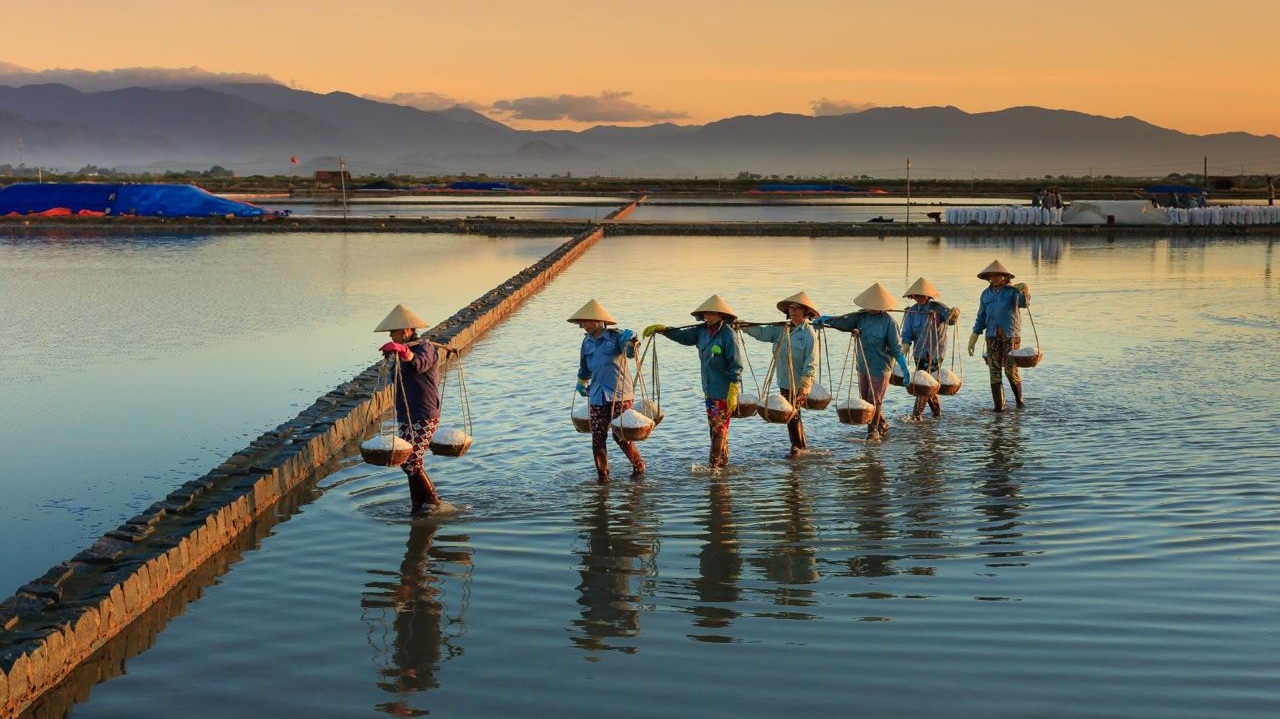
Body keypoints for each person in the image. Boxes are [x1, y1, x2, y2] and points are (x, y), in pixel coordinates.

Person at [644, 295, 743, 468]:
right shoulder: (702, 331)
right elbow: (683, 337)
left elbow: (736, 365)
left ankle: (713, 468)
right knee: (715, 428)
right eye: (706, 313)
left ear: (721, 315)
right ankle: (722, 464)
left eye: (712, 313)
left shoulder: (729, 335)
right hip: (709, 388)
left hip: (725, 390)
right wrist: (665, 330)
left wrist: (733, 390)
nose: (708, 316)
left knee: (719, 429)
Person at [815, 283, 911, 441]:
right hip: (863, 364)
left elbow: (896, 348)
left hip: (881, 366)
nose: (871, 308)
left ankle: (872, 431)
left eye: (875, 306)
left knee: (875, 400)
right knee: (865, 400)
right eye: (869, 305)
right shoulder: (860, 317)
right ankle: (882, 424)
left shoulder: (889, 323)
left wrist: (904, 368)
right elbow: (843, 321)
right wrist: (826, 320)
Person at [375, 304, 447, 516]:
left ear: (407, 330)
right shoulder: (405, 350)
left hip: (424, 414)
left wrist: (403, 351)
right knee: (407, 461)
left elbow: (418, 364)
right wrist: (397, 353)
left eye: (394, 331)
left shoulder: (425, 348)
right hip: (406, 414)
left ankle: (432, 500)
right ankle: (419, 505)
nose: (391, 335)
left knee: (410, 460)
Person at [569, 299, 644, 484]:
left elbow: (630, 352)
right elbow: (584, 368)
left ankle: (638, 466)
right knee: (598, 439)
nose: (583, 325)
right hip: (597, 395)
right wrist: (581, 383)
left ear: (597, 321)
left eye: (586, 321)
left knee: (621, 437)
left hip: (619, 394)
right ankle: (603, 477)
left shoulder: (616, 337)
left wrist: (632, 341)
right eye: (581, 322)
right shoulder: (586, 343)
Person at [739, 291, 819, 457]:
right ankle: (799, 447)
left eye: (798, 308)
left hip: (799, 383)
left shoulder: (809, 333)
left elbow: (811, 362)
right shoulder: (780, 329)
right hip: (784, 381)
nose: (794, 311)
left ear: (805, 312)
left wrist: (804, 387)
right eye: (791, 308)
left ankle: (797, 448)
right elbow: (761, 333)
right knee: (792, 416)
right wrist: (744, 326)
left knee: (793, 415)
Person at [966, 260, 1030, 412]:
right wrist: (974, 336)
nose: (993, 278)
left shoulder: (1013, 291)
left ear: (1004, 277)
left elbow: (1024, 304)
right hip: (992, 336)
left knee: (1010, 370)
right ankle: (999, 408)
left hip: (1011, 336)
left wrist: (1025, 290)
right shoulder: (985, 294)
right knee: (994, 372)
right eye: (991, 276)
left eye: (996, 275)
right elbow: (981, 317)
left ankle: (1019, 402)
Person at [900, 277, 959, 420]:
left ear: (928, 295)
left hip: (935, 352)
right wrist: (905, 347)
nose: (918, 298)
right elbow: (907, 333)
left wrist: (954, 313)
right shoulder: (912, 312)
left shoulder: (939, 308)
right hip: (919, 352)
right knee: (927, 383)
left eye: (921, 295)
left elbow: (950, 320)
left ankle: (916, 415)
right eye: (916, 295)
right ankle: (937, 413)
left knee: (925, 383)